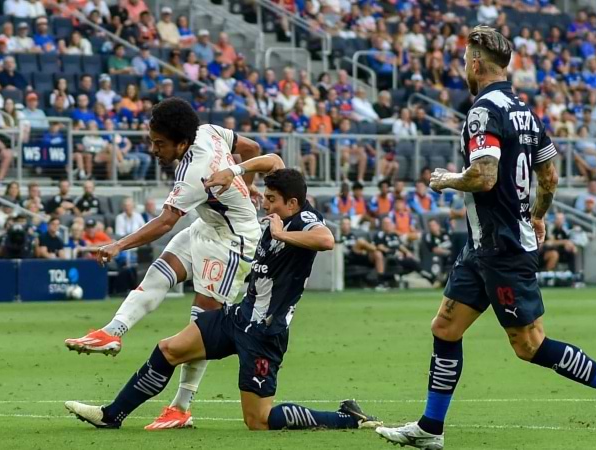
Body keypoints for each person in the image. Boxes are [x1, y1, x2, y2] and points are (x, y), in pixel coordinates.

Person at [377, 26, 596, 450]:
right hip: (482, 246)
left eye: (465, 61)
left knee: (529, 345)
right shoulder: (525, 111)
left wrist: (446, 180)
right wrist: (537, 215)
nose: (463, 68)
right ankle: (431, 428)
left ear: (476, 63)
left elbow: (484, 176)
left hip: (503, 247)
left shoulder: (483, 111)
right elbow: (549, 176)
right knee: (445, 327)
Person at [67, 162, 380, 433]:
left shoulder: (305, 219)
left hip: (264, 334)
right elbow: (271, 159)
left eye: (271, 200)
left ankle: (346, 418)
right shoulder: (282, 207)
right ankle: (112, 415)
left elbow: (326, 240)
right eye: (265, 197)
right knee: (168, 350)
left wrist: (281, 234)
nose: (265, 204)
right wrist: (236, 171)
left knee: (258, 421)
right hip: (238, 317)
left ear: (293, 202)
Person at [64, 97, 263, 430]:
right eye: (152, 141)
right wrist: (246, 187)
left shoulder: (194, 171)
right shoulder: (208, 131)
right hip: (209, 225)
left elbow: (165, 222)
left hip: (234, 243)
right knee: (159, 274)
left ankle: (181, 407)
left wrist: (119, 245)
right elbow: (252, 147)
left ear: (182, 143)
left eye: (160, 143)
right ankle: (112, 332)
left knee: (201, 327)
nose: (154, 149)